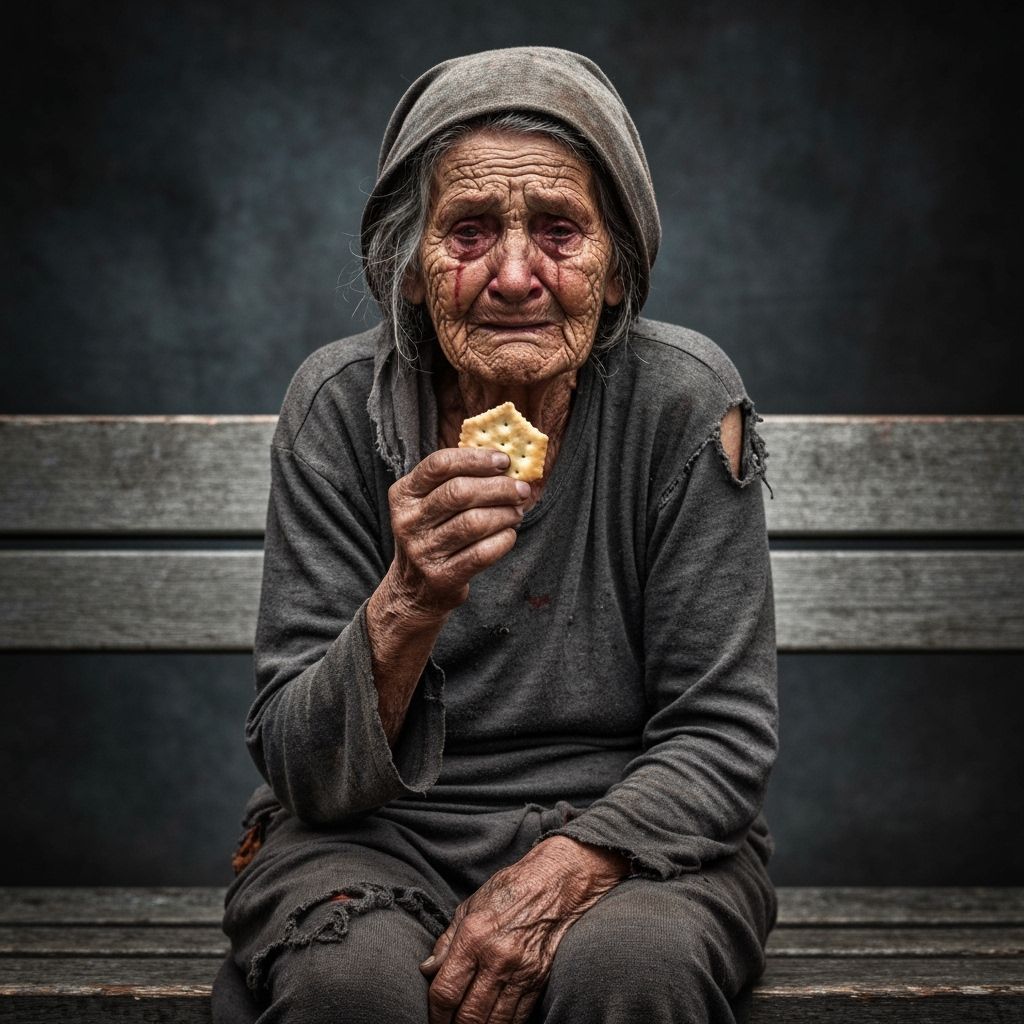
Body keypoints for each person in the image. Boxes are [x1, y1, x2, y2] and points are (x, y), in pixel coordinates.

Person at [212, 45, 779, 1024]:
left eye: (559, 230)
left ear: (614, 272)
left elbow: (720, 736)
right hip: (372, 837)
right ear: (412, 270)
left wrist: (562, 871)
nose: (515, 274)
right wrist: (408, 602)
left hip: (627, 834)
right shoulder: (340, 407)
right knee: (345, 984)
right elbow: (301, 767)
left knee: (629, 972)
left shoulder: (685, 403)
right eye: (470, 231)